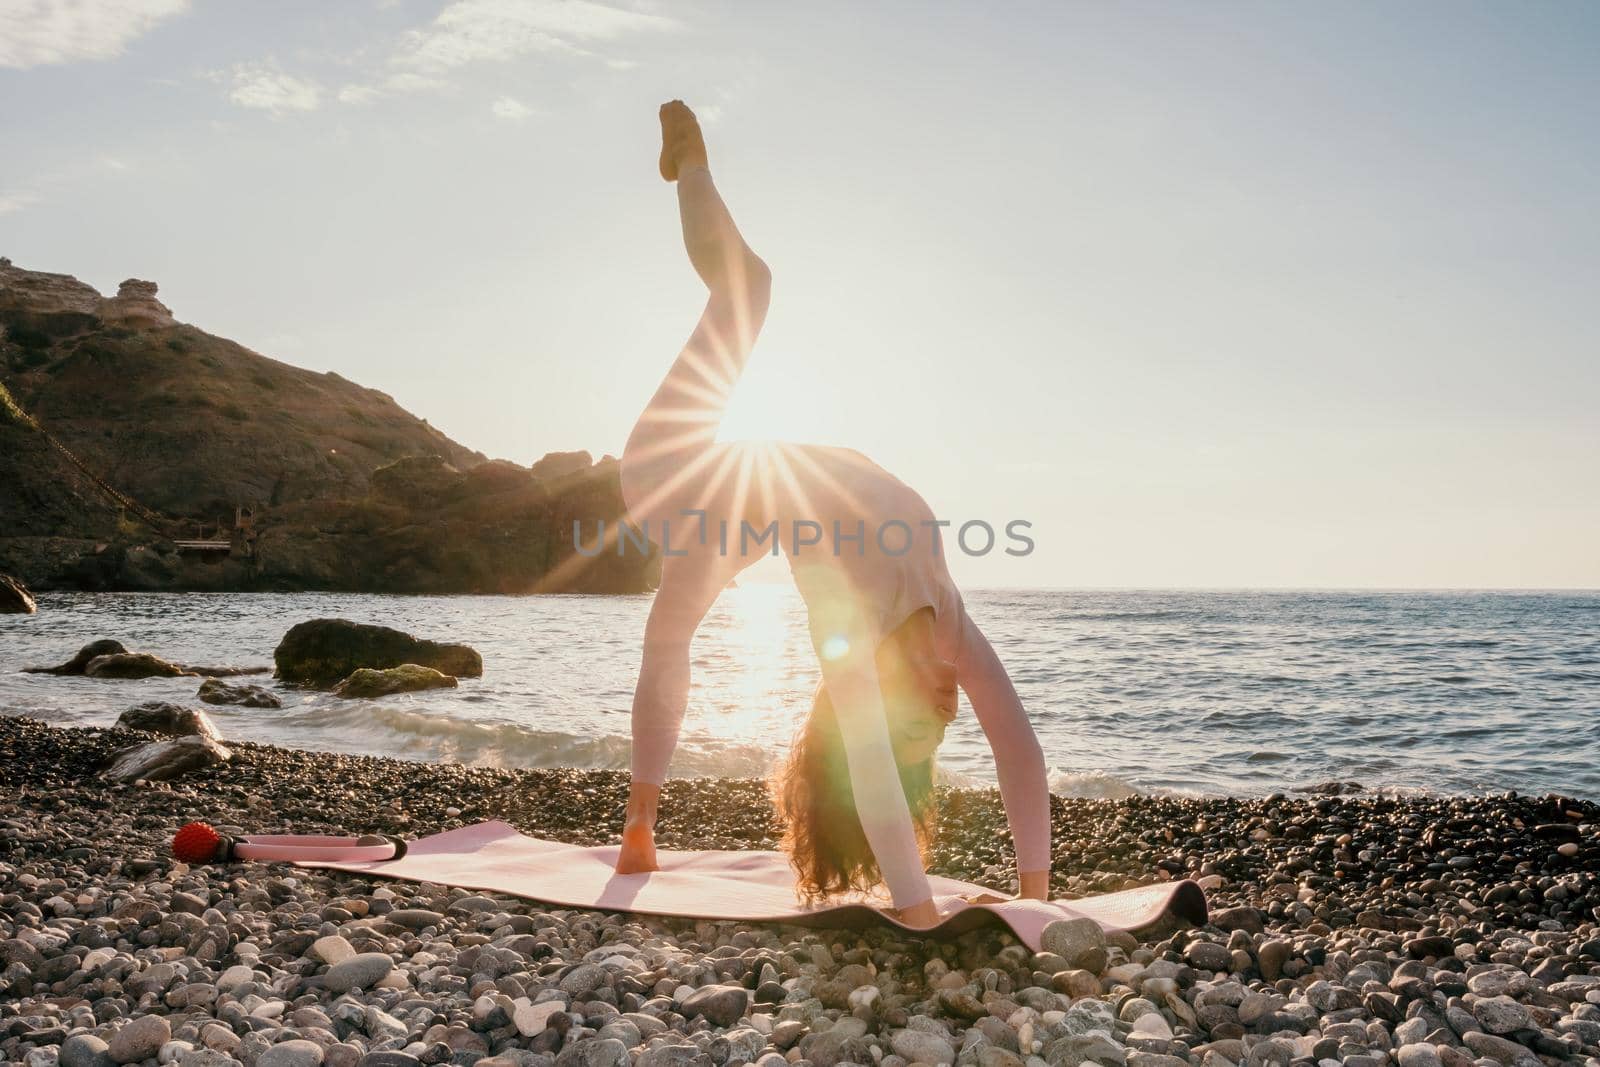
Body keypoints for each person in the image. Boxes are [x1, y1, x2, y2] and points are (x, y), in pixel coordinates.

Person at [614, 101, 1050, 927]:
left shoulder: (843, 628)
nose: (951, 710)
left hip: (680, 483)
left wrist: (917, 904)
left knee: (672, 623)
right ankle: (693, 167)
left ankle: (639, 821)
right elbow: (1020, 749)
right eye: (938, 730)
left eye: (916, 729)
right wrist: (1033, 898)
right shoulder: (947, 627)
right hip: (716, 478)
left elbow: (880, 766)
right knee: (752, 288)